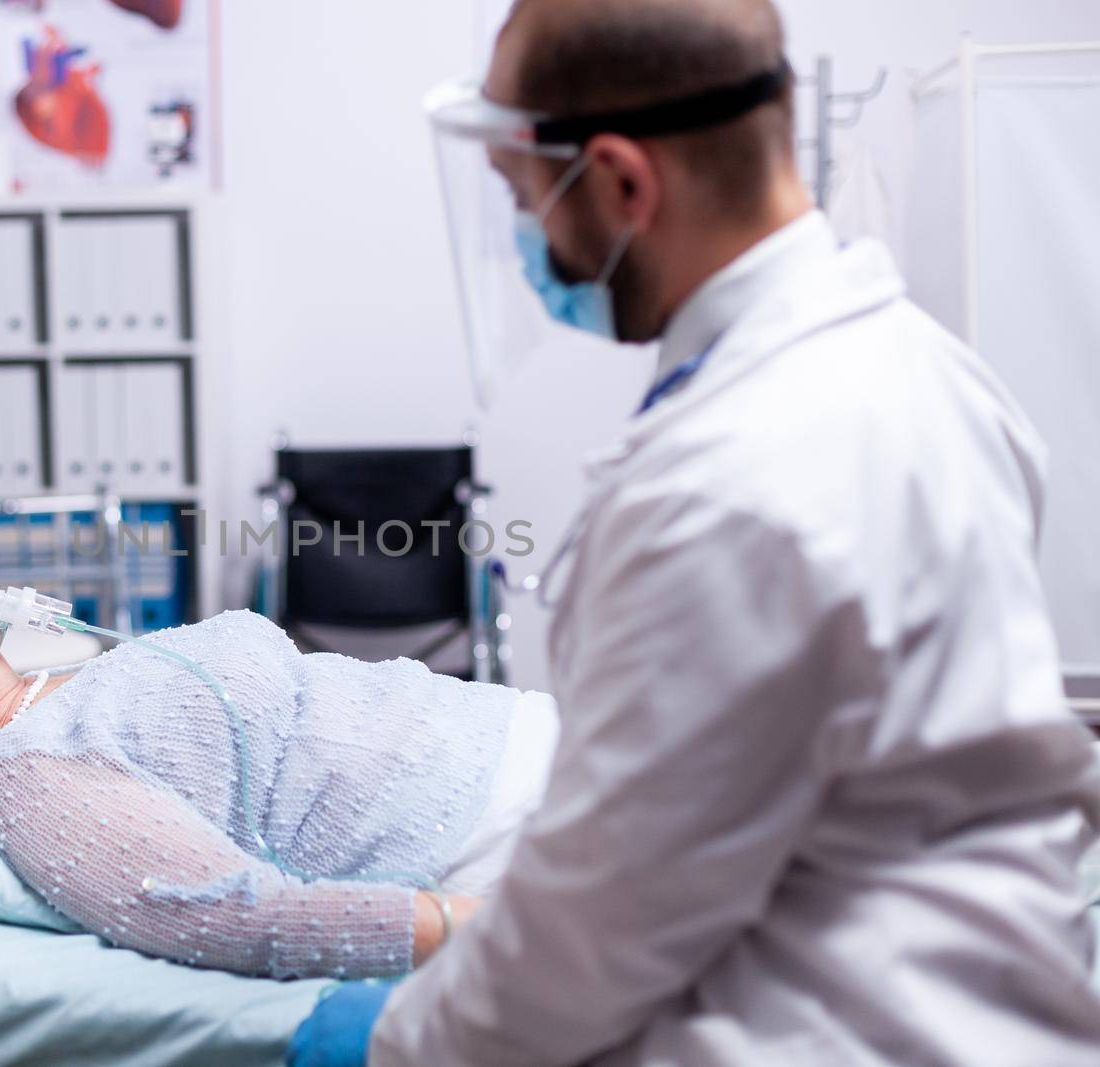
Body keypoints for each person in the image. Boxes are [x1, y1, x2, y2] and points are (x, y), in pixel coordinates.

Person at [289, 0, 1100, 1063]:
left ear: (623, 182)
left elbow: (591, 940)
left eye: (522, 195)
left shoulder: (727, 485)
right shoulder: (930, 373)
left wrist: (400, 1041)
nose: (526, 237)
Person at [0, 557, 562, 979]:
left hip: (532, 740)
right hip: (510, 834)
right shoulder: (22, 771)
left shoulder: (53, 680)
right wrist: (518, 928)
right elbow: (237, 917)